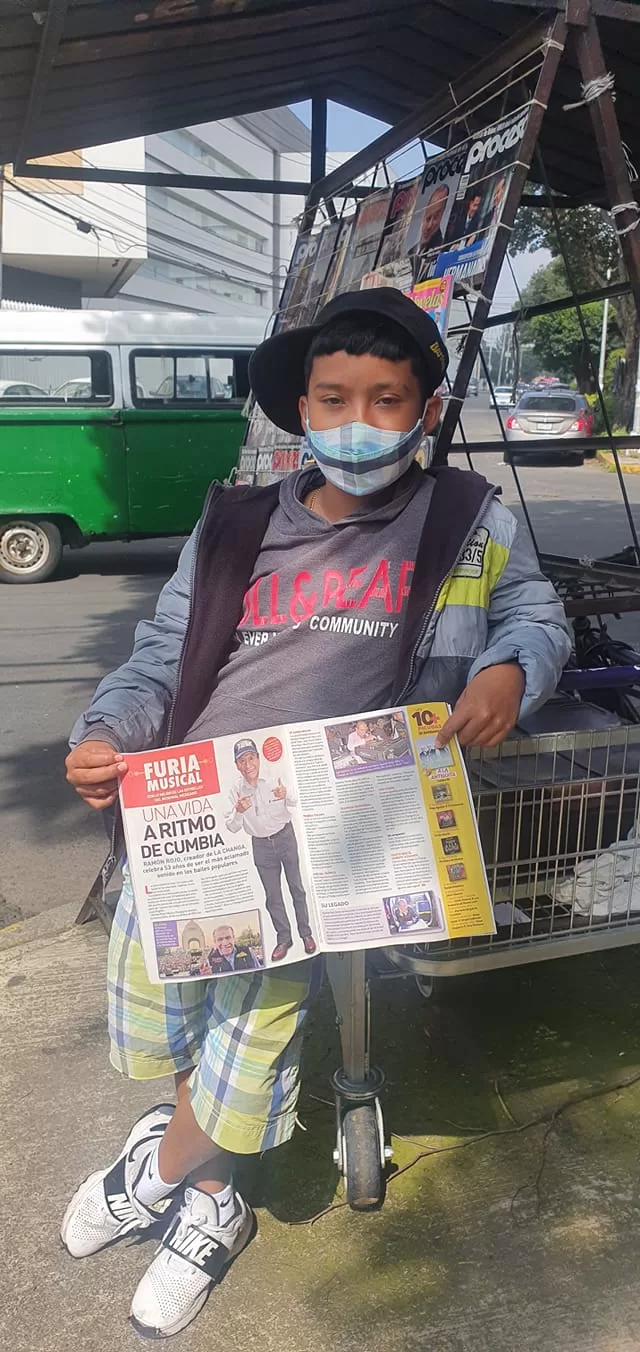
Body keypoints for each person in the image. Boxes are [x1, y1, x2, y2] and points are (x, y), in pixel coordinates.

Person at [62, 285, 571, 1338]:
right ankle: (209, 1184)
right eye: (334, 398)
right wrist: (107, 732)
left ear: (426, 409)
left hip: (334, 828)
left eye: (387, 399)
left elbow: (534, 611)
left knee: (256, 1021)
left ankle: (169, 1177)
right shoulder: (235, 522)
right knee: (173, 1009)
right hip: (186, 814)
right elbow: (159, 657)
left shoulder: (469, 518)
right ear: (301, 406)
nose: (357, 421)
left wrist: (512, 670)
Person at [225, 738, 316, 962]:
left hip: (285, 837)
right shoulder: (235, 790)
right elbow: (232, 827)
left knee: (297, 888)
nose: (248, 765)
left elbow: (299, 799)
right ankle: (284, 938)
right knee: (272, 896)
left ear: (258, 758)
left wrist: (286, 795)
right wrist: (238, 811)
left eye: (251, 758)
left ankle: (306, 934)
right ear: (237, 765)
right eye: (242, 761)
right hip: (261, 845)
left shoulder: (276, 775)